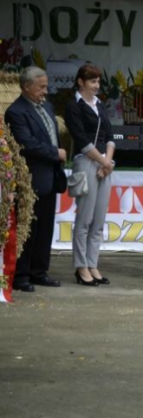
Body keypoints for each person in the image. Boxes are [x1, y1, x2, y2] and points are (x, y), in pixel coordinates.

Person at [4, 66, 67, 292]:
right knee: (29, 228)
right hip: (30, 178)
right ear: (27, 87)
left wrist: (57, 156)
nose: (45, 91)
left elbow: (52, 136)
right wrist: (55, 153)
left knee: (45, 228)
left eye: (46, 86)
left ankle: (39, 271)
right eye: (41, 87)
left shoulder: (47, 107)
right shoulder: (16, 112)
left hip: (50, 176)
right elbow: (26, 144)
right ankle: (21, 275)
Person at [64, 64, 115, 287]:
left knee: (99, 220)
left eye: (98, 82)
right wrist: (103, 160)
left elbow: (110, 134)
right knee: (84, 218)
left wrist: (108, 162)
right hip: (86, 162)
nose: (96, 86)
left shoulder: (100, 105)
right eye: (92, 81)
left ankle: (93, 263)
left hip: (104, 163)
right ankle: (81, 265)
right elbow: (81, 139)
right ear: (81, 82)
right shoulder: (73, 105)